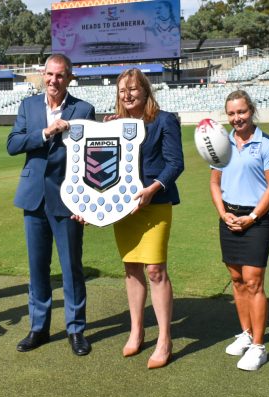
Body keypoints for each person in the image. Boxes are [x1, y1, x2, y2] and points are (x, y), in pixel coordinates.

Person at [7, 54, 96, 356]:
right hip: (33, 197)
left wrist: (86, 202)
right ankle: (39, 328)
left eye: (60, 75)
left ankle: (76, 330)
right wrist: (46, 132)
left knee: (71, 267)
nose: (53, 80)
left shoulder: (83, 109)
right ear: (42, 75)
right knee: (37, 268)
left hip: (69, 199)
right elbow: (13, 145)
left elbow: (91, 160)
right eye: (49, 74)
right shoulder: (28, 106)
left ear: (69, 77)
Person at [105, 68, 184, 369]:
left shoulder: (164, 121)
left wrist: (153, 188)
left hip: (156, 202)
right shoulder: (114, 124)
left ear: (146, 91)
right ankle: (136, 330)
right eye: (122, 90)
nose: (127, 95)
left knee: (155, 270)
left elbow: (175, 163)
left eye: (133, 89)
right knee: (131, 267)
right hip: (124, 207)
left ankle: (164, 338)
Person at [210, 90, 269, 371]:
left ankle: (259, 347)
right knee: (237, 279)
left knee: (253, 281)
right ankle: (246, 333)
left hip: (257, 219)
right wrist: (223, 213)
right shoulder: (222, 143)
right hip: (229, 217)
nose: (236, 118)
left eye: (241, 112)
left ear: (251, 111)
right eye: (231, 113)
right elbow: (215, 183)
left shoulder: (268, 145)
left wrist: (252, 217)